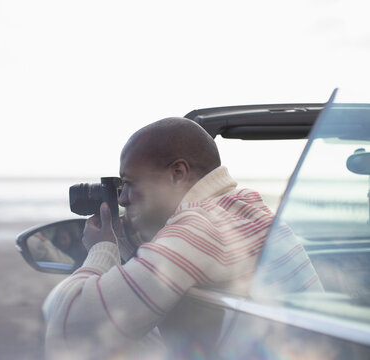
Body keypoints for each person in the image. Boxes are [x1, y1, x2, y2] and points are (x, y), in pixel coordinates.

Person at [45, 118, 320, 359]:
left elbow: (73, 327)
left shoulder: (200, 227)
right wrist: (127, 239)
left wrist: (102, 248)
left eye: (130, 183)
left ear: (178, 174)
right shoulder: (244, 208)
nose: (123, 198)